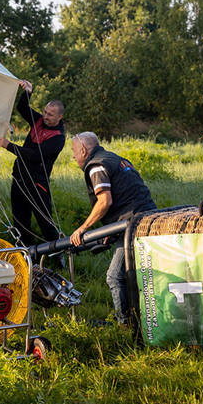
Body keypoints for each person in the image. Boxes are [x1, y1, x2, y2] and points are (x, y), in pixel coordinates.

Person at [69, 132, 157, 325]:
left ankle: (124, 325)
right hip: (147, 217)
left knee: (114, 277)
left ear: (83, 150)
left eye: (74, 152)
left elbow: (105, 201)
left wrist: (83, 228)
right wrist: (111, 229)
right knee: (133, 274)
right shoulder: (115, 159)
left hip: (133, 224)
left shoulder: (95, 166)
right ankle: (140, 320)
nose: (74, 156)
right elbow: (126, 195)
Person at [0, 80, 66, 251]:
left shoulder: (58, 137)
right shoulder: (38, 121)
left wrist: (10, 146)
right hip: (19, 179)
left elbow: (35, 156)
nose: (46, 116)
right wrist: (28, 92)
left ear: (59, 117)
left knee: (46, 223)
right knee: (20, 221)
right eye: (45, 112)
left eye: (51, 114)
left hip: (37, 184)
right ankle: (26, 255)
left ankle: (60, 256)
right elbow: (22, 108)